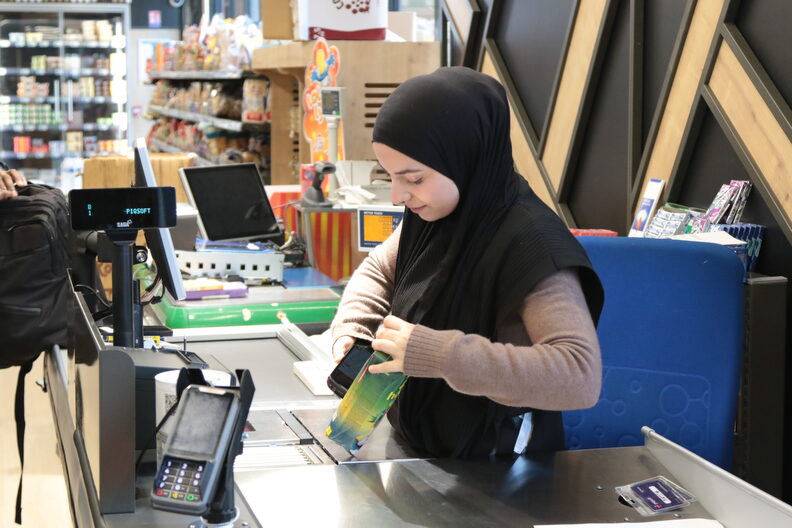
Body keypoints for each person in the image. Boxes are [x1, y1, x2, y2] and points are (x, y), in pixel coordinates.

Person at [330, 67, 605, 458]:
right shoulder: (436, 214)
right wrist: (353, 329)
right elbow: (378, 270)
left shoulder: (532, 245)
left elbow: (579, 376)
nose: (397, 196)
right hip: (422, 454)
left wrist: (440, 354)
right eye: (390, 176)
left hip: (498, 470)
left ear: (465, 159)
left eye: (414, 179)